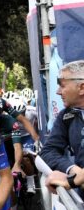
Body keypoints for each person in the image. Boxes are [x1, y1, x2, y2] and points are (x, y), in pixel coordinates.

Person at [42, 61, 84, 193]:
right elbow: (48, 151)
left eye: (62, 85)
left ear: (82, 88)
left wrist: (72, 181)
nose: (58, 92)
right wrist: (71, 169)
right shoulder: (66, 116)